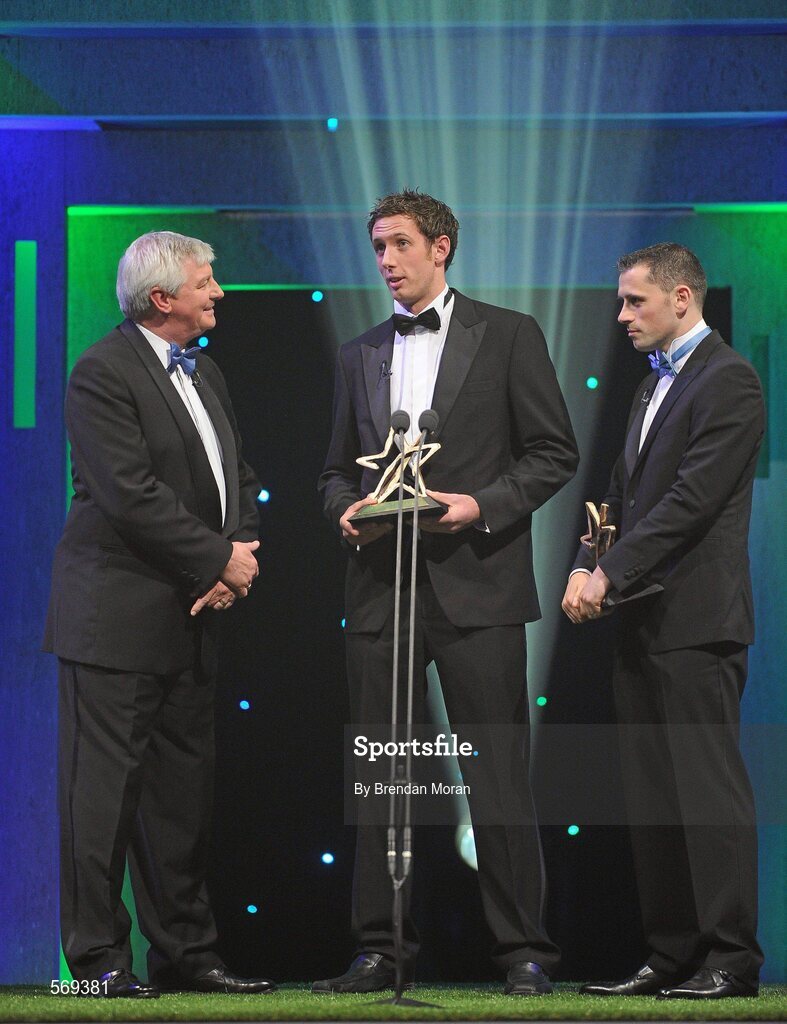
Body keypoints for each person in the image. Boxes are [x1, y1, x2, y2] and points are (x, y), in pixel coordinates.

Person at [317, 190, 578, 995]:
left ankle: (523, 951)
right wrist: (344, 511)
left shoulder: (507, 335)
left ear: (441, 247)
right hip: (379, 590)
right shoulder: (361, 351)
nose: (387, 261)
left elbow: (551, 452)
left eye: (398, 245)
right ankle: (378, 949)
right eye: (377, 248)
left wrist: (480, 505)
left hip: (479, 586)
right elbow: (332, 471)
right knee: (381, 770)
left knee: (493, 771)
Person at [44, 231, 275, 998]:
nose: (219, 294)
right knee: (103, 799)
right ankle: (98, 964)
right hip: (115, 618)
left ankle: (187, 956)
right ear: (162, 298)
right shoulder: (102, 372)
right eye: (206, 283)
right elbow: (129, 494)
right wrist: (218, 558)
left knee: (181, 800)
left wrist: (239, 551)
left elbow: (235, 473)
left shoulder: (204, 371)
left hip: (193, 616)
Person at [562, 243, 764, 999]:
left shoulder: (729, 379)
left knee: (706, 793)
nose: (620, 316)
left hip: (696, 621)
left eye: (633, 301)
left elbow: (689, 502)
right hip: (639, 619)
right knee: (650, 795)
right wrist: (586, 561)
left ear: (682, 299)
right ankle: (671, 952)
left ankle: (729, 959)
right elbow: (613, 499)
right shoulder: (651, 390)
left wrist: (609, 571)